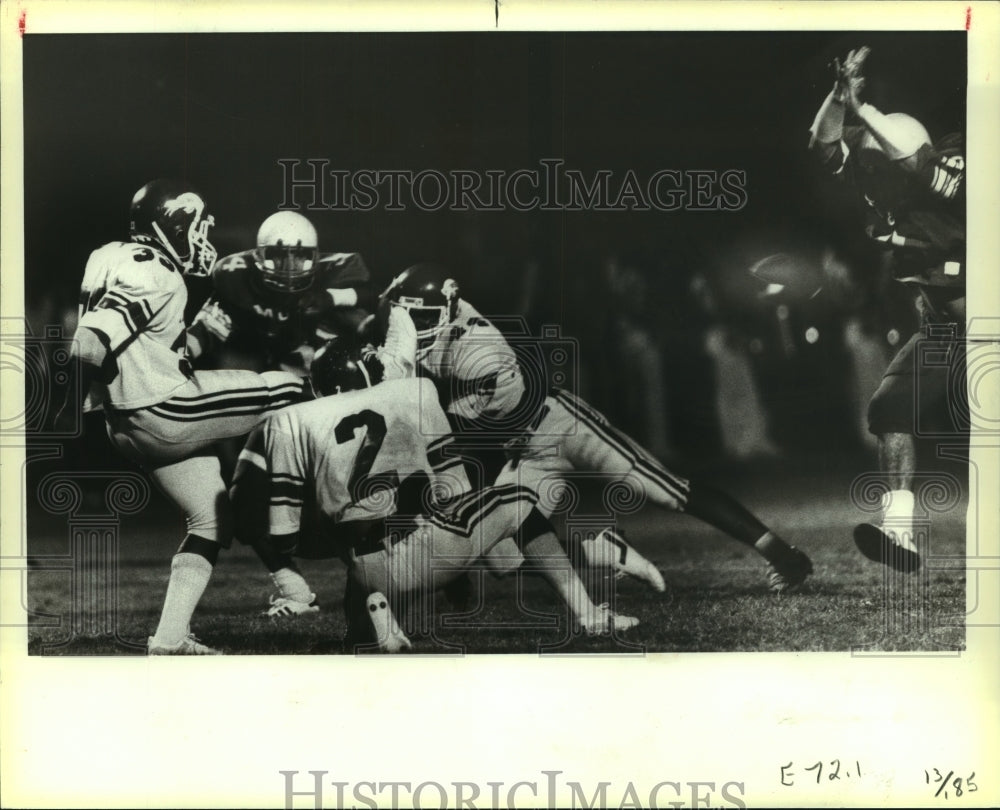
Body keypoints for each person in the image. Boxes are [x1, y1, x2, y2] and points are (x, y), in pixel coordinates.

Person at [375, 262, 813, 594]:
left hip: (560, 425)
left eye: (420, 319)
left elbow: (455, 429)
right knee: (500, 553)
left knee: (666, 490)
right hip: (519, 448)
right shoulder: (438, 321)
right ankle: (604, 550)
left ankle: (782, 553)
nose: (413, 329)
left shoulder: (479, 349)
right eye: (407, 319)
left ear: (448, 311)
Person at [228, 324, 638, 652]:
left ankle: (373, 624)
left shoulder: (290, 421)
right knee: (519, 501)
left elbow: (281, 535)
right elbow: (454, 486)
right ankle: (591, 615)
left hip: (363, 567)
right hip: (422, 550)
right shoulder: (413, 392)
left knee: (358, 529)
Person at [54, 180, 310, 654]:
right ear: (171, 224)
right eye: (195, 226)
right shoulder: (155, 272)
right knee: (289, 386)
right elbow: (89, 342)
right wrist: (64, 416)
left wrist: (92, 410)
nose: (201, 237)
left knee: (210, 519)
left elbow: (124, 342)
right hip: (167, 407)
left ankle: (170, 638)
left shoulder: (107, 254)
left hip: (124, 424)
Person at [808, 47, 966, 572]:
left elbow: (917, 163)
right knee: (889, 409)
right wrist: (840, 98)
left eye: (877, 158)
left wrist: (868, 112)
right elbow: (823, 145)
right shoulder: (882, 179)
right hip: (945, 329)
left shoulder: (954, 159)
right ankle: (899, 533)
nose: (867, 171)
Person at [188, 211, 375, 617]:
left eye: (300, 256)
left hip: (332, 407)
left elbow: (378, 306)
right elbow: (205, 334)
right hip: (279, 401)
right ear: (258, 257)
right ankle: (295, 588)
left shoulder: (339, 275)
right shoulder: (235, 281)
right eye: (277, 256)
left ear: (316, 257)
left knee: (346, 502)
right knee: (240, 497)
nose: (289, 268)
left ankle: (383, 582)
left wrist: (332, 299)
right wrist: (175, 361)